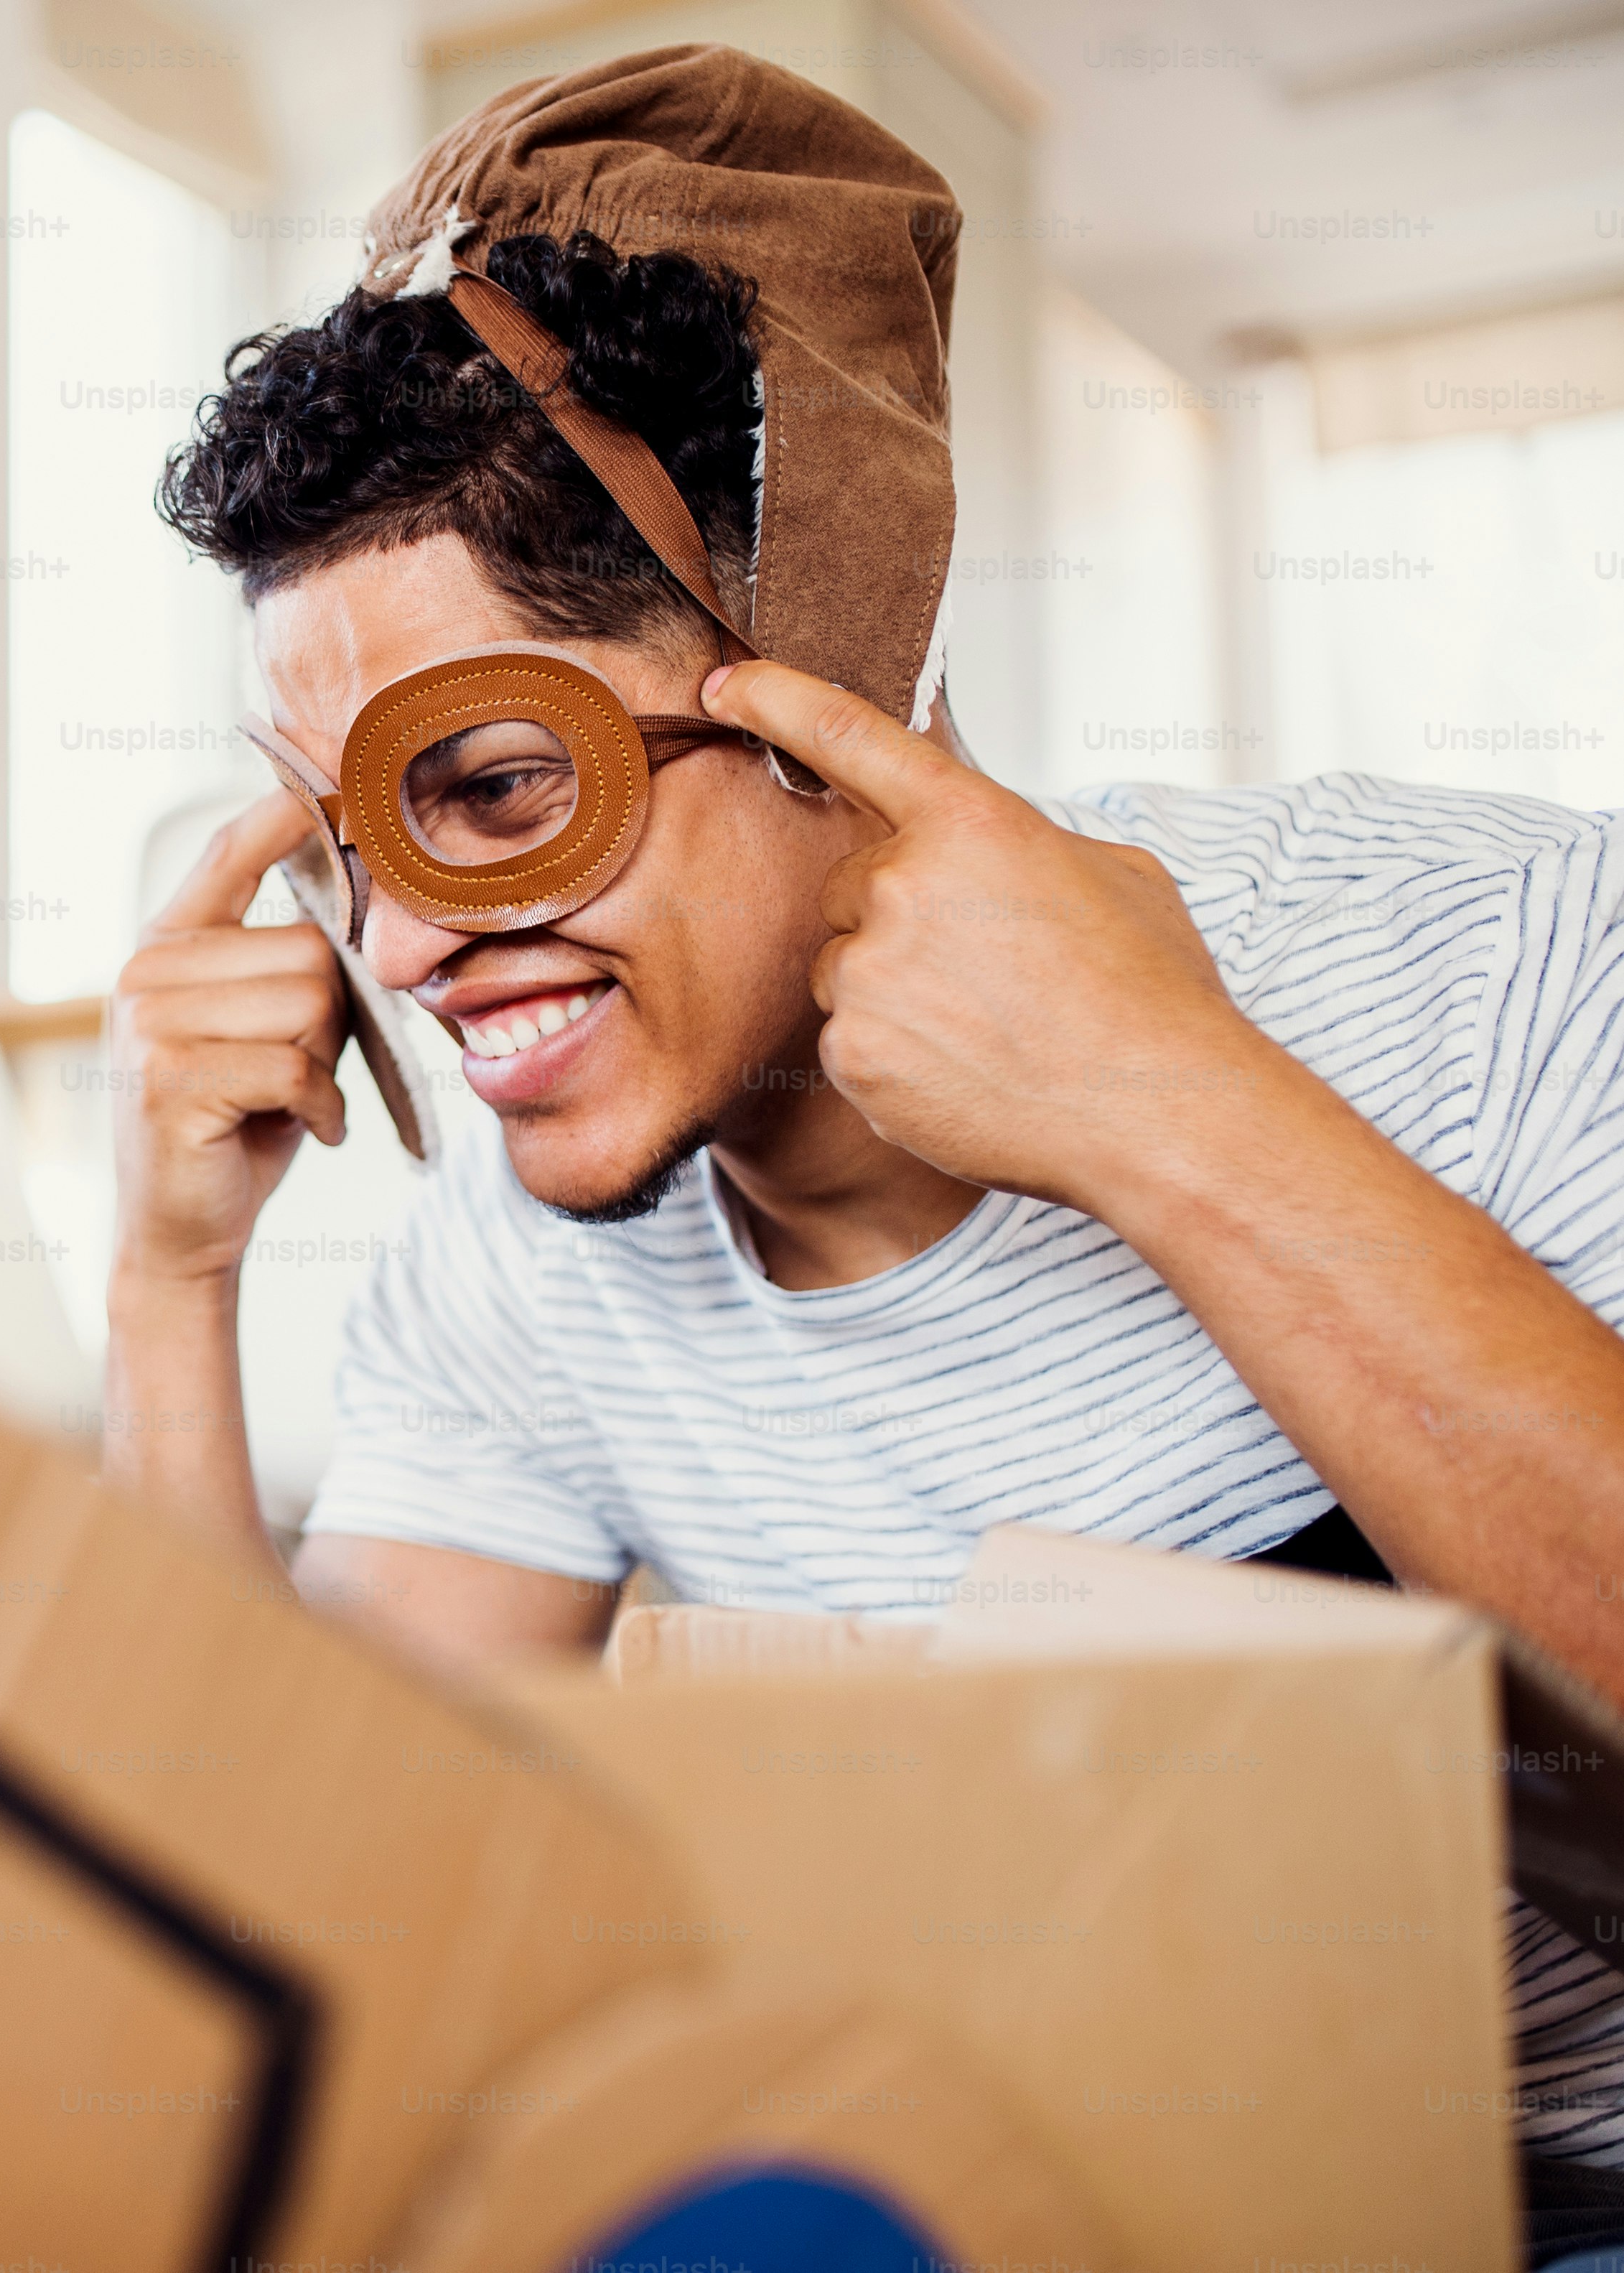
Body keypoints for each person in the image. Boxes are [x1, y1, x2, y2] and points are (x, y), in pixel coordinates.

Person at [102, 42, 1624, 2227]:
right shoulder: (524, 1254)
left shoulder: (1502, 951)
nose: (411, 950)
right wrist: (170, 1287)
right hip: (1057, 2175)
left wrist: (1158, 1107)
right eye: (337, 837)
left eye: (498, 788)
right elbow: (300, 1926)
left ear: (820, 671)